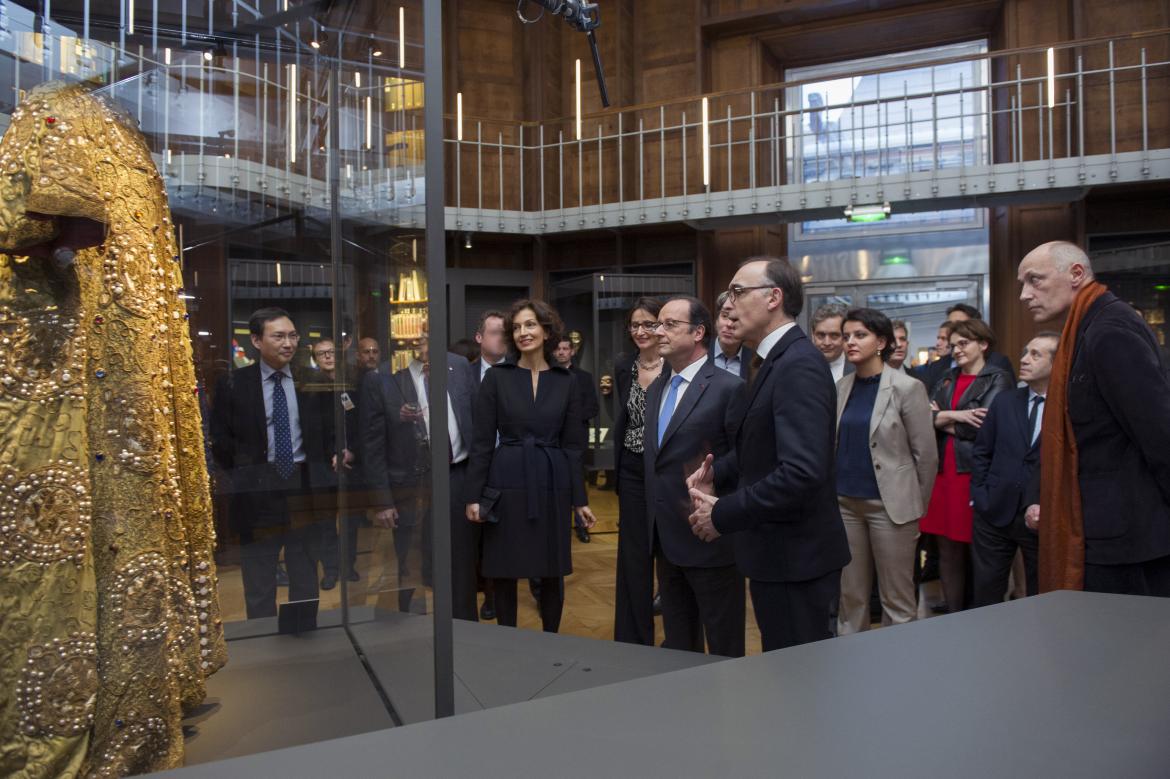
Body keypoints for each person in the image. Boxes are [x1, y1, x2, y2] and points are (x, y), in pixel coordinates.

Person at [687, 257, 850, 651]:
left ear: (774, 297)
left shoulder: (798, 365)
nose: (727, 304)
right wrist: (717, 473)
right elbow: (760, 449)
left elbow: (800, 473)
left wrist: (722, 514)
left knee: (800, 682)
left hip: (798, 560)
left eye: (739, 292)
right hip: (779, 557)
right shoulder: (775, 361)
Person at [1018, 241, 1170, 595]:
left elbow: (1158, 433)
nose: (1025, 295)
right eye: (1022, 284)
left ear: (1076, 274)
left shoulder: (1109, 329)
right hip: (1108, 530)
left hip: (1129, 539)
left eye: (1034, 280)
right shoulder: (1087, 327)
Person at [464, 300, 598, 631]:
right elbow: (481, 443)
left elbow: (572, 447)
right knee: (505, 569)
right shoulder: (496, 378)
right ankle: (509, 643)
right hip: (505, 479)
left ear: (547, 330)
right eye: (517, 327)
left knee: (551, 569)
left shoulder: (566, 381)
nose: (523, 332)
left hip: (552, 481)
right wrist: (473, 496)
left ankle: (550, 638)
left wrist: (579, 500)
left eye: (530, 325)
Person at [210, 307, 330, 619]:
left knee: (304, 572)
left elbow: (328, 433)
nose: (288, 343)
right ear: (256, 341)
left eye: (292, 336)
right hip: (257, 490)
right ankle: (263, 642)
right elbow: (221, 439)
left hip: (302, 487)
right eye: (278, 336)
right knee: (259, 577)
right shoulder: (234, 384)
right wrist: (242, 477)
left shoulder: (313, 381)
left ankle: (304, 635)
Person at [644, 296, 747, 657]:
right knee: (679, 645)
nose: (659, 331)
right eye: (658, 324)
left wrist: (717, 490)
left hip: (710, 537)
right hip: (665, 538)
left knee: (724, 645)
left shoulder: (728, 388)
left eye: (669, 324)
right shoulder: (656, 389)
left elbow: (745, 457)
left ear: (699, 332)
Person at [835, 308, 937, 633]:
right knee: (851, 599)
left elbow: (926, 456)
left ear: (881, 341)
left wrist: (913, 509)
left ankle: (899, 673)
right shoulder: (841, 387)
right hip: (845, 504)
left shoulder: (907, 388)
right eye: (846, 335)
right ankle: (851, 670)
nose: (850, 342)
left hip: (891, 509)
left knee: (897, 600)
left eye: (859, 335)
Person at [362, 336, 479, 618]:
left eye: (427, 335)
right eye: (414, 337)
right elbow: (372, 444)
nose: (421, 342)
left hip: (458, 477)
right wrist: (382, 499)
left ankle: (464, 630)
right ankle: (410, 631)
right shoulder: (383, 377)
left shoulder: (459, 366)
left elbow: (476, 422)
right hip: (410, 486)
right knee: (410, 565)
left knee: (461, 564)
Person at [921, 318, 1013, 612]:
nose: (956, 350)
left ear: (983, 344)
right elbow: (924, 420)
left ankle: (982, 614)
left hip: (972, 474)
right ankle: (953, 611)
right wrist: (959, 416)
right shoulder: (946, 378)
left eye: (964, 344)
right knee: (947, 549)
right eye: (953, 345)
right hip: (943, 474)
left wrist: (944, 417)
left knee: (979, 550)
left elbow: (984, 427)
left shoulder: (998, 378)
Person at [970, 333, 1059, 606]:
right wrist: (981, 496)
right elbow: (982, 451)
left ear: (1057, 363)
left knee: (1040, 592)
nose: (1024, 360)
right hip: (994, 510)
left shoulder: (1067, 407)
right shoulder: (1005, 401)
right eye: (1025, 352)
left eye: (1035, 354)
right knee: (986, 592)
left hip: (1040, 516)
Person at [612, 296, 666, 645]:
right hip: (631, 469)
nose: (641, 331)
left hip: (666, 469)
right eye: (635, 325)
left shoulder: (675, 365)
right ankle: (634, 638)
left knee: (669, 549)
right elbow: (624, 418)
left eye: (648, 324)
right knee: (633, 555)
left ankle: (677, 634)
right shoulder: (623, 366)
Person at [555, 336, 601, 543]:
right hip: (553, 438)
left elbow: (592, 407)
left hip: (576, 437)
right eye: (559, 349)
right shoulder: (548, 375)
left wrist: (569, 417)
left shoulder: (584, 377)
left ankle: (581, 525)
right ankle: (558, 528)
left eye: (566, 348)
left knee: (577, 482)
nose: (562, 352)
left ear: (572, 352)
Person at [710, 290, 754, 379]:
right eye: (725, 316)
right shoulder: (698, 354)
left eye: (736, 319)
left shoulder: (755, 361)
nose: (729, 324)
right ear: (716, 320)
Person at [812, 302, 854, 383]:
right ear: (813, 335)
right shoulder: (800, 366)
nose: (827, 343)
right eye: (821, 335)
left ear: (845, 337)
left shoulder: (858, 368)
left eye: (834, 335)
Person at [472, 309, 508, 383]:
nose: (501, 338)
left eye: (504, 333)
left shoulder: (518, 370)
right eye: (494, 333)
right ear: (479, 338)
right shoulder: (468, 372)